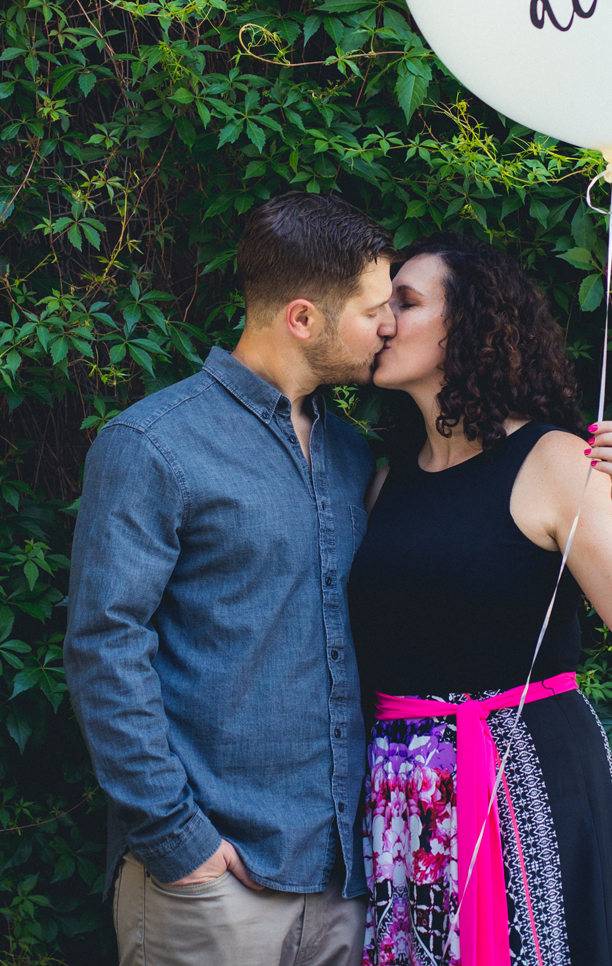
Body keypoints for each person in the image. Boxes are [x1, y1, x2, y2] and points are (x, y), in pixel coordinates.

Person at [66, 192, 398, 966]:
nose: (390, 325)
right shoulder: (152, 444)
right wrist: (181, 843)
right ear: (304, 318)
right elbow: (102, 648)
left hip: (341, 880)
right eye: (375, 309)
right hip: (212, 884)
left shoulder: (352, 453)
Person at [349, 232, 612, 966]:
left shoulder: (551, 461)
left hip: (524, 782)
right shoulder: (385, 480)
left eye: (404, 301)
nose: (382, 318)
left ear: (466, 323)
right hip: (403, 798)